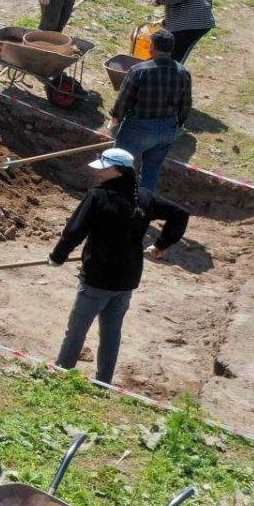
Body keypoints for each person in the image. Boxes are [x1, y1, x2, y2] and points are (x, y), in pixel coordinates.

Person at [51, 148, 183, 385]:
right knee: (111, 333)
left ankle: (62, 374)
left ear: (116, 170)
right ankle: (103, 382)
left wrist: (57, 257)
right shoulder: (144, 196)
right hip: (127, 279)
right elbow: (180, 214)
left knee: (77, 329)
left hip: (98, 278)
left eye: (103, 168)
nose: (99, 172)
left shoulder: (98, 196)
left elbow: (74, 231)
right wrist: (161, 245)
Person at [110, 28, 191, 197]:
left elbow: (124, 99)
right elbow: (186, 104)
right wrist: (178, 125)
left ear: (152, 47)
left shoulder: (139, 70)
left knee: (118, 166)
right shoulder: (183, 72)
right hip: (167, 130)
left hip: (138, 128)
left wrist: (116, 118)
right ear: (171, 49)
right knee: (150, 172)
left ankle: (114, 201)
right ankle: (142, 207)